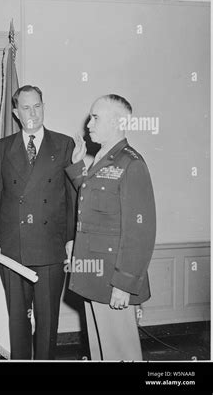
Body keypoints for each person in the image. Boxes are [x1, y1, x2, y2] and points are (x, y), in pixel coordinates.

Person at [0, 85, 76, 359]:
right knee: (17, 324)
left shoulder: (64, 144)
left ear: (43, 107)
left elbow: (72, 197)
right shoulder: (1, 148)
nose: (32, 112)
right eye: (26, 107)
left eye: (37, 106)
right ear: (16, 112)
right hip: (13, 250)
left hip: (51, 249)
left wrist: (71, 240)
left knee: (48, 324)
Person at [66, 94, 156, 360]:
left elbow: (140, 231)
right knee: (101, 352)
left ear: (118, 121)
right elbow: (92, 202)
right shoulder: (103, 158)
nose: (88, 124)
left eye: (96, 117)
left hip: (113, 278)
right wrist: (77, 165)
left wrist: (124, 284)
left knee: (120, 353)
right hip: (94, 276)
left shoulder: (131, 163)